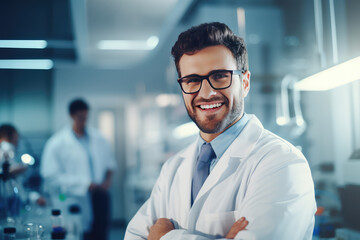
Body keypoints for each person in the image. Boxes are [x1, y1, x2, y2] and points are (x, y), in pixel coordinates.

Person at [125, 22, 316, 240]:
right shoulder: (174, 167)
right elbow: (134, 235)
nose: (206, 93)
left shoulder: (282, 163)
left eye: (219, 76)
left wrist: (165, 237)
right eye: (192, 80)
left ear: (244, 83)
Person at [40, 98, 116, 240]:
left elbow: (110, 163)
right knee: (79, 234)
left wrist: (107, 180)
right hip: (75, 197)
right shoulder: (57, 143)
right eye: (80, 117)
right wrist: (84, 183)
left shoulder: (99, 137)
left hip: (100, 195)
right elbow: (49, 174)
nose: (83, 121)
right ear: (71, 115)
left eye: (85, 117)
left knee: (101, 234)